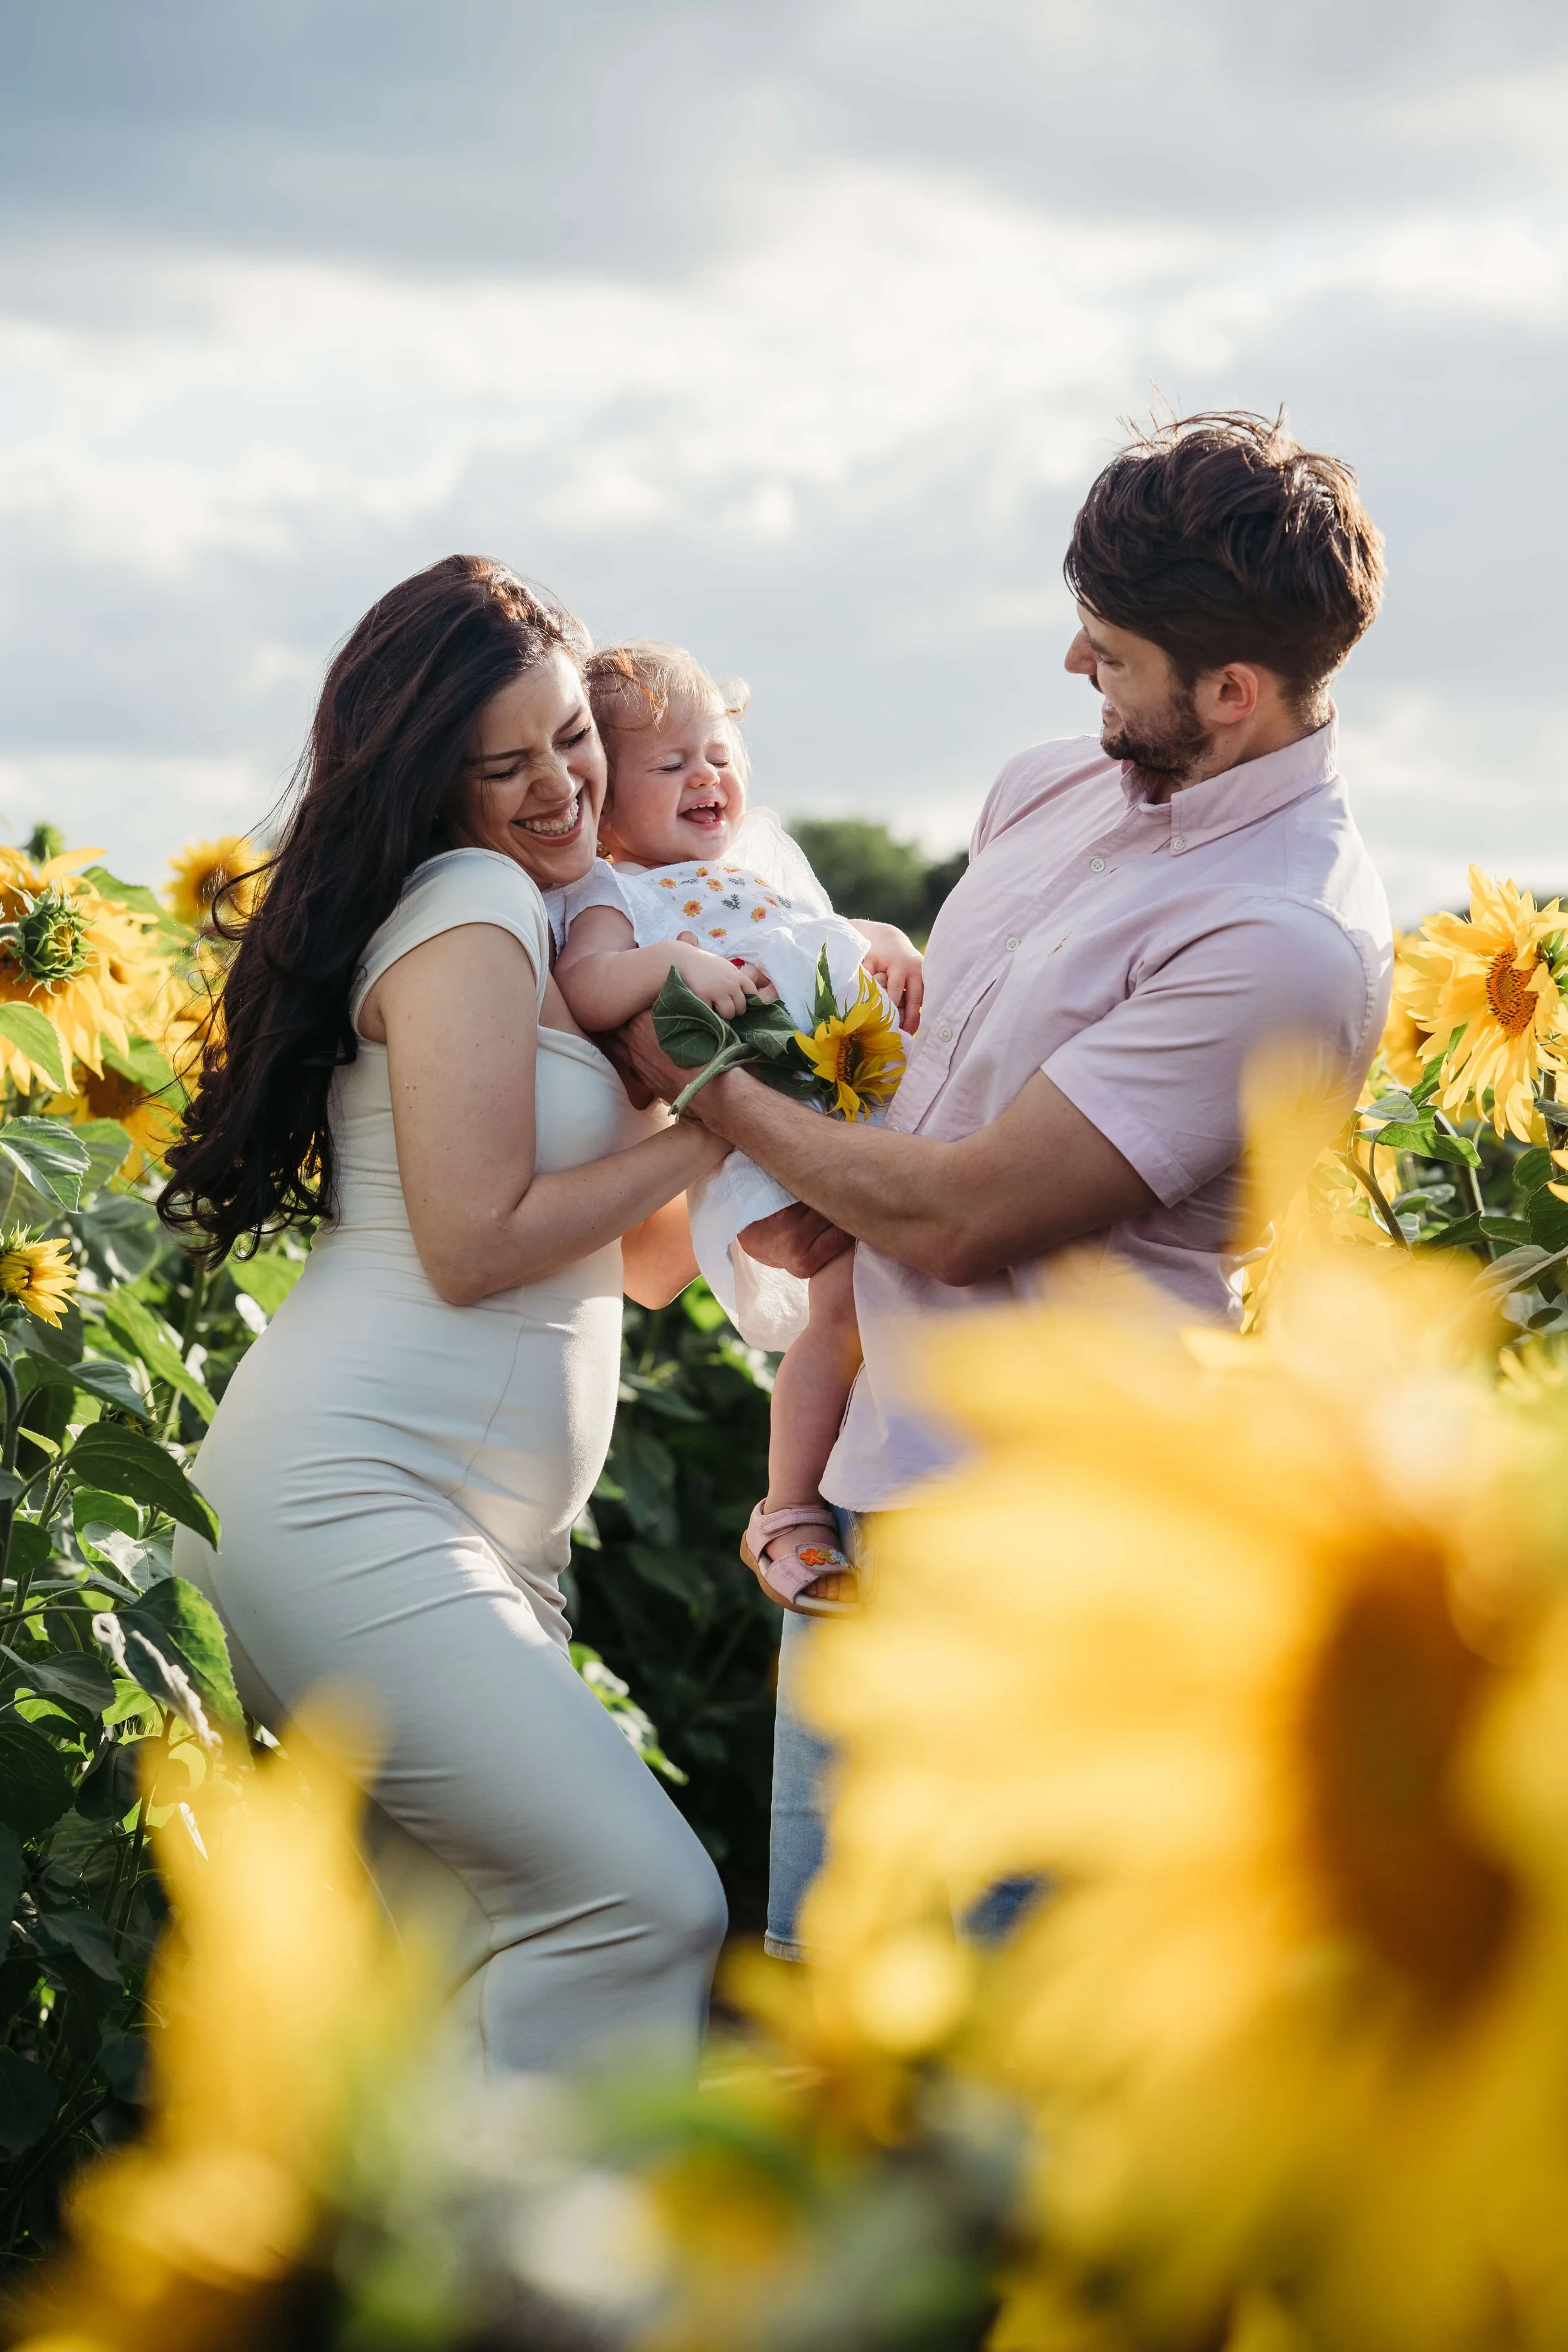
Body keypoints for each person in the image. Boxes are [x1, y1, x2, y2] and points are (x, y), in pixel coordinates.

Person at [618, 411, 1394, 1959]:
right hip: (870, 1509)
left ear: (1228, 694)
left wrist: (693, 1066)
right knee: (822, 2012)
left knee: (989, 2086)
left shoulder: (1277, 940)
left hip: (1061, 1558)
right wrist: (834, 1195)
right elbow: (932, 1101)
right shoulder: (1045, 793)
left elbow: (967, 1216)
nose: (1070, 673)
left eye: (1105, 652)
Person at [159, 556, 729, 2066]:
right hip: (357, 1503)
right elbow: (474, 1247)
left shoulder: (555, 932)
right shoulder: (471, 904)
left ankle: (457, 2288)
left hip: (465, 1534)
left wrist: (731, 1074)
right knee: (646, 1904)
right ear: (429, 778)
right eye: (505, 764)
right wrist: (717, 1127)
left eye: (570, 739)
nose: (557, 789)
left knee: (455, 1992)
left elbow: (648, 1266)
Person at [550, 638, 923, 1616]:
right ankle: (788, 1511)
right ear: (602, 801)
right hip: (758, 1153)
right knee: (844, 1299)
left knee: (903, 1285)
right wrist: (673, 963)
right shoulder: (614, 894)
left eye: (717, 751)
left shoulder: (763, 863)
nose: (706, 775)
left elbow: (827, 939)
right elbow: (587, 987)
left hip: (851, 1112)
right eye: (669, 765)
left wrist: (891, 943)